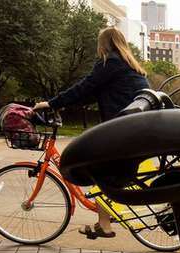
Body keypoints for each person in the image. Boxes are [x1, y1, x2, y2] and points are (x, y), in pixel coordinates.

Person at [33, 27, 149, 239]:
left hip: (122, 131)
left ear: (104, 44)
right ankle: (102, 222)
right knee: (104, 171)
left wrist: (51, 103)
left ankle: (104, 224)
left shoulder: (110, 63)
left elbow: (84, 87)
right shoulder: (130, 67)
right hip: (135, 130)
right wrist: (63, 105)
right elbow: (90, 94)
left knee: (96, 166)